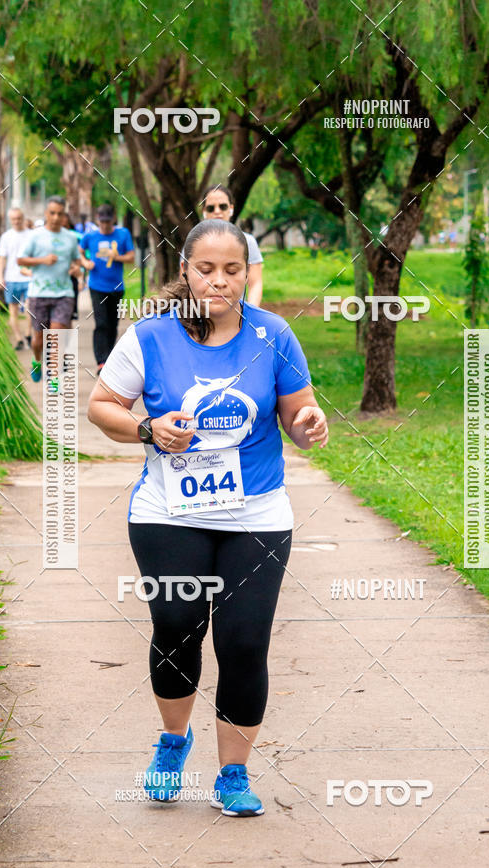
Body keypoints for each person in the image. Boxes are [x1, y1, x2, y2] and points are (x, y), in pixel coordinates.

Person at [87, 218, 328, 816]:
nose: (218, 281)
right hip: (169, 512)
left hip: (257, 515)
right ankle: (173, 742)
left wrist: (309, 424)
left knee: (244, 643)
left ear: (248, 273)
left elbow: (300, 413)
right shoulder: (151, 337)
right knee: (176, 628)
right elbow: (102, 407)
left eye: (232, 269)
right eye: (206, 268)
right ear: (186, 271)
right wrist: (147, 427)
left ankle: (233, 774)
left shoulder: (274, 335)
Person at [18, 196, 81, 384]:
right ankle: (37, 361)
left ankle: (53, 377)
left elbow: (77, 260)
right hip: (39, 293)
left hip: (64, 294)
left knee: (56, 336)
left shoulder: (70, 237)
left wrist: (77, 269)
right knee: (38, 340)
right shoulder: (35, 236)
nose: (55, 217)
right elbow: (20, 260)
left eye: (60, 214)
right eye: (52, 213)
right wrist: (42, 260)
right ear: (46, 213)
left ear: (64, 216)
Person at [79, 203, 134, 374]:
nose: (104, 226)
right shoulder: (90, 236)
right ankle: (101, 361)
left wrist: (117, 257)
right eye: (102, 222)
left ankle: (109, 358)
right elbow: (79, 252)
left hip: (116, 287)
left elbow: (131, 257)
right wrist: (85, 263)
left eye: (108, 222)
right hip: (96, 286)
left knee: (113, 324)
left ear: (113, 219)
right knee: (101, 323)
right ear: (98, 220)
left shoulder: (123, 234)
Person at [202, 185, 263, 307]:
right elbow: (185, 284)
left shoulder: (247, 242)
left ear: (231, 209)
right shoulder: (193, 243)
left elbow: (255, 283)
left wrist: (249, 315)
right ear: (204, 212)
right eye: (211, 208)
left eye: (223, 206)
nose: (217, 211)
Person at [0, 207, 32, 350]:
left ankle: (28, 333)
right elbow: (2, 258)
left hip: (29, 278)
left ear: (23, 218)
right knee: (13, 310)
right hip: (11, 278)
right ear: (10, 220)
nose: (16, 221)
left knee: (30, 309)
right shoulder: (6, 236)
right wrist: (0, 277)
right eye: (14, 219)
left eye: (19, 218)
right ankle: (18, 339)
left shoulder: (31, 235)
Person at [61, 211, 82, 321]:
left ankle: (67, 339)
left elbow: (80, 257)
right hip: (52, 284)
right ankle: (54, 339)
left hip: (71, 279)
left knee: (68, 317)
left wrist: (80, 278)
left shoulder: (75, 237)